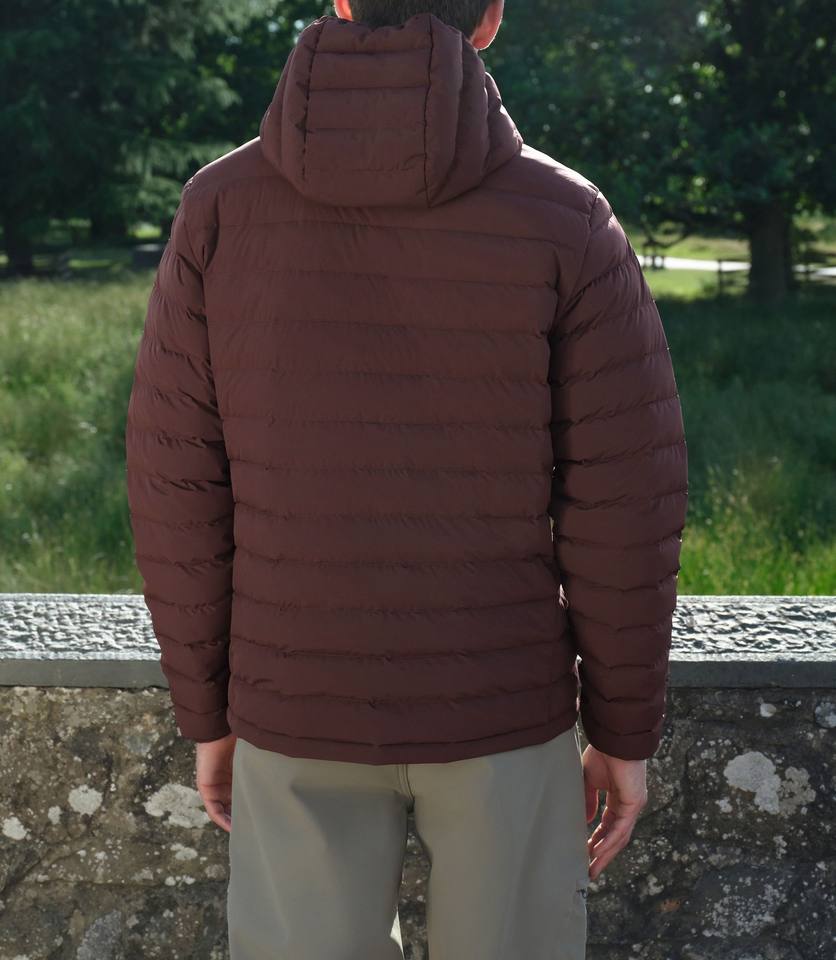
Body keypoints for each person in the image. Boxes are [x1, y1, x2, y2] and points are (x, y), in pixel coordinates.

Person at [124, 1, 688, 957]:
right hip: (503, 703)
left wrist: (208, 712)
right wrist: (624, 732)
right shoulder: (566, 215)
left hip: (295, 701)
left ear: (340, 2)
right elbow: (625, 505)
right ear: (490, 17)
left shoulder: (219, 207)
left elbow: (176, 488)